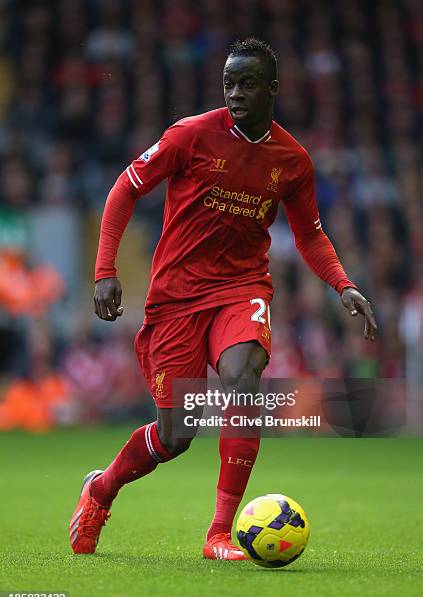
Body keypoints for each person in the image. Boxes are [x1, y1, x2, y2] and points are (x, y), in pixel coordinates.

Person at [69, 38, 377, 560]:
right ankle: (100, 491)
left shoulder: (293, 160)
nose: (236, 93)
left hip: (241, 288)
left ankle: (219, 533)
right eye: (230, 83)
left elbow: (309, 235)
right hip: (176, 298)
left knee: (243, 381)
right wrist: (105, 270)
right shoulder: (189, 136)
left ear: (273, 89)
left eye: (248, 83)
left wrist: (343, 284)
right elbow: (125, 187)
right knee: (175, 434)